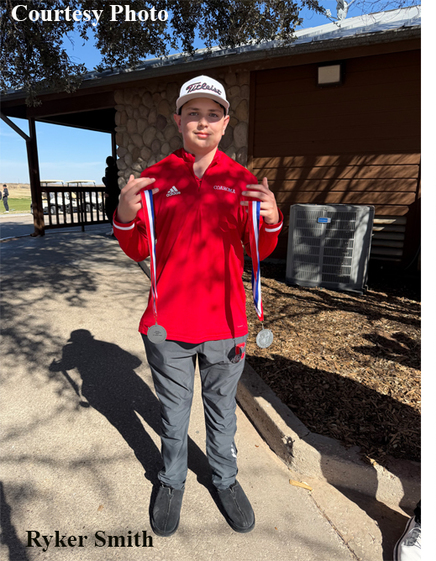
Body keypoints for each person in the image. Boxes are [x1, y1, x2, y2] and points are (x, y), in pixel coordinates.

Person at [112, 75, 283, 536]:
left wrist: (271, 220)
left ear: (225, 123)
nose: (202, 123)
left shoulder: (242, 180)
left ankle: (224, 479)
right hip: (167, 324)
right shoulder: (157, 179)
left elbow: (259, 250)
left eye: (212, 115)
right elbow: (136, 248)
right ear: (178, 120)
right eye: (193, 113)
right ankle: (171, 480)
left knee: (222, 410)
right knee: (172, 411)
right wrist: (126, 215)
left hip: (225, 325)